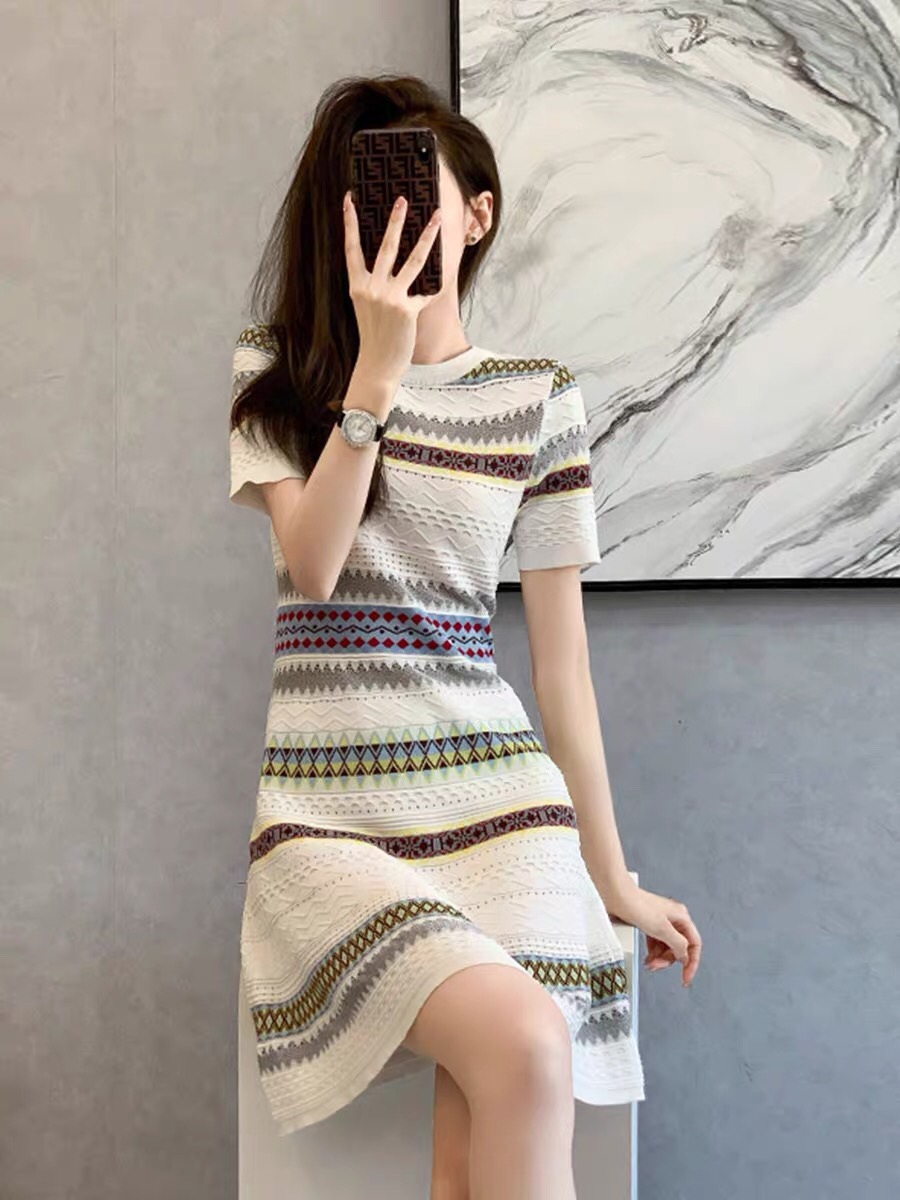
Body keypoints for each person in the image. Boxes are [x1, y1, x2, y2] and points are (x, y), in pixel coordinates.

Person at [228, 73, 702, 1200]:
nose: (384, 217)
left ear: (477, 213)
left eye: (411, 188)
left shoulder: (537, 398)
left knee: (476, 1141)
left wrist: (608, 876)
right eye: (360, 193)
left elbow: (562, 670)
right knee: (524, 1043)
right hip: (328, 819)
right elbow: (314, 567)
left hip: (500, 805)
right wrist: (377, 374)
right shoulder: (277, 373)